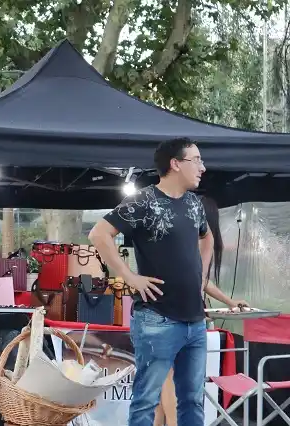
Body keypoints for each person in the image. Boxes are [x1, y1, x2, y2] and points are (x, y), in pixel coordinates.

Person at [89, 137, 214, 426]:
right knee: (146, 400)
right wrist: (129, 276)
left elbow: (207, 237)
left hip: (195, 321)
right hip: (157, 318)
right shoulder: (143, 201)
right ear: (175, 164)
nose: (202, 167)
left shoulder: (195, 204)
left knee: (193, 399)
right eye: (196, 160)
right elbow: (98, 234)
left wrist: (202, 275)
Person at [152, 196, 250, 426]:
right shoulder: (191, 241)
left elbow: (200, 281)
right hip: (171, 315)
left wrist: (229, 301)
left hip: (164, 314)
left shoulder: (181, 238)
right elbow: (196, 281)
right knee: (167, 378)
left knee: (163, 379)